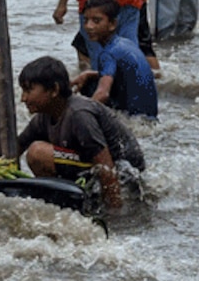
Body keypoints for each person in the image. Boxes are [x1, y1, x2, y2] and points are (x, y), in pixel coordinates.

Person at [17, 56, 146, 210]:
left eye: (28, 90)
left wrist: (114, 212)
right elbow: (16, 147)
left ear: (54, 90)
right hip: (88, 164)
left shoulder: (79, 114)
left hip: (122, 173)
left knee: (38, 153)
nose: (23, 98)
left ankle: (64, 201)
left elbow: (105, 166)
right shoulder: (44, 117)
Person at [71, 0, 158, 118]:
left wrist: (79, 116)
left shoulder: (108, 53)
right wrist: (89, 73)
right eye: (85, 20)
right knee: (91, 79)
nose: (88, 27)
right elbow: (124, 73)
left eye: (96, 21)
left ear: (112, 24)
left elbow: (103, 94)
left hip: (134, 119)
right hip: (149, 115)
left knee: (88, 89)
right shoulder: (124, 43)